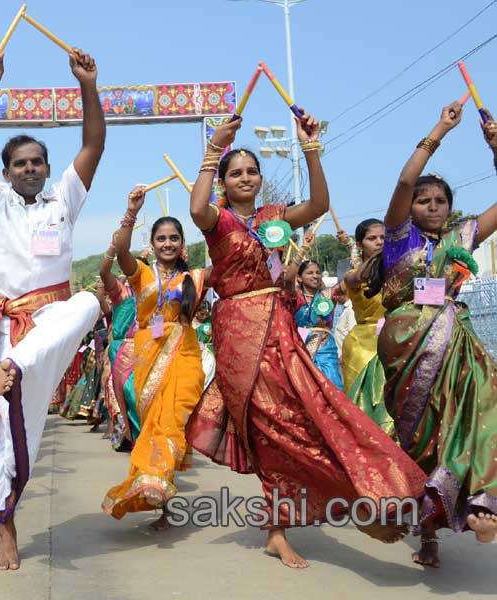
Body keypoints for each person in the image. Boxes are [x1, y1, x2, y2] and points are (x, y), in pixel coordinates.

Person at [183, 115, 428, 569]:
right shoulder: (216, 220)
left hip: (278, 327)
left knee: (306, 414)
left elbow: (318, 203)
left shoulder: (275, 218)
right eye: (235, 173)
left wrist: (311, 148)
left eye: (250, 171)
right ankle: (283, 527)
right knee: (265, 428)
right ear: (223, 181)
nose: (245, 178)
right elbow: (196, 209)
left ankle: (361, 490)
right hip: (238, 333)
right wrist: (212, 152)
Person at [0, 45, 105, 570]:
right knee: (15, 439)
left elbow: (93, 142)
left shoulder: (64, 199)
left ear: (47, 167)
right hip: (4, 331)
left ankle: (13, 369)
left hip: (48, 326)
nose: (29, 168)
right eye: (19, 163)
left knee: (87, 299)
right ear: (6, 171)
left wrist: (88, 84)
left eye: (37, 161)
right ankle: (7, 529)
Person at [377, 102, 497, 567]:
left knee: (479, 408)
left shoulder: (462, 237)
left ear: (450, 207)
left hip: (457, 343)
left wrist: (493, 151)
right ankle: (427, 535)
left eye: (439, 201)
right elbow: (405, 182)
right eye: (424, 200)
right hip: (406, 346)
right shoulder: (398, 237)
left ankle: (484, 499)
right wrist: (440, 130)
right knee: (421, 439)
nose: (430, 205)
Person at [102, 196, 207, 526]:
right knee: (153, 425)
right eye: (161, 238)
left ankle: (156, 484)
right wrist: (131, 213)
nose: (167, 243)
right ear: (152, 243)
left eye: (174, 238)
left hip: (185, 353)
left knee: (173, 422)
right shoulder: (142, 274)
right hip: (148, 354)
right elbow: (120, 253)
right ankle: (158, 494)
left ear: (182, 243)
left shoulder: (196, 278)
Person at [340, 219, 394, 435]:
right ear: (360, 244)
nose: (379, 242)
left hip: (394, 342)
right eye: (372, 238)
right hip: (362, 347)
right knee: (362, 410)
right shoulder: (353, 275)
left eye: (383, 238)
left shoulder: (398, 273)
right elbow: (355, 278)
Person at [98, 242, 140, 450]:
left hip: (149, 349)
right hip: (122, 350)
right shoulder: (121, 293)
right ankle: (131, 437)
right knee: (126, 395)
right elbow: (104, 272)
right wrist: (114, 249)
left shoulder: (155, 291)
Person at [293, 258, 343, 389]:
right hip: (300, 348)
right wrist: (301, 253)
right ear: (299, 278)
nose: (315, 276)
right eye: (310, 273)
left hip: (325, 348)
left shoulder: (328, 295)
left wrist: (351, 246)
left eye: (318, 272)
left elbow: (350, 281)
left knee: (332, 387)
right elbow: (285, 281)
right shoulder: (295, 297)